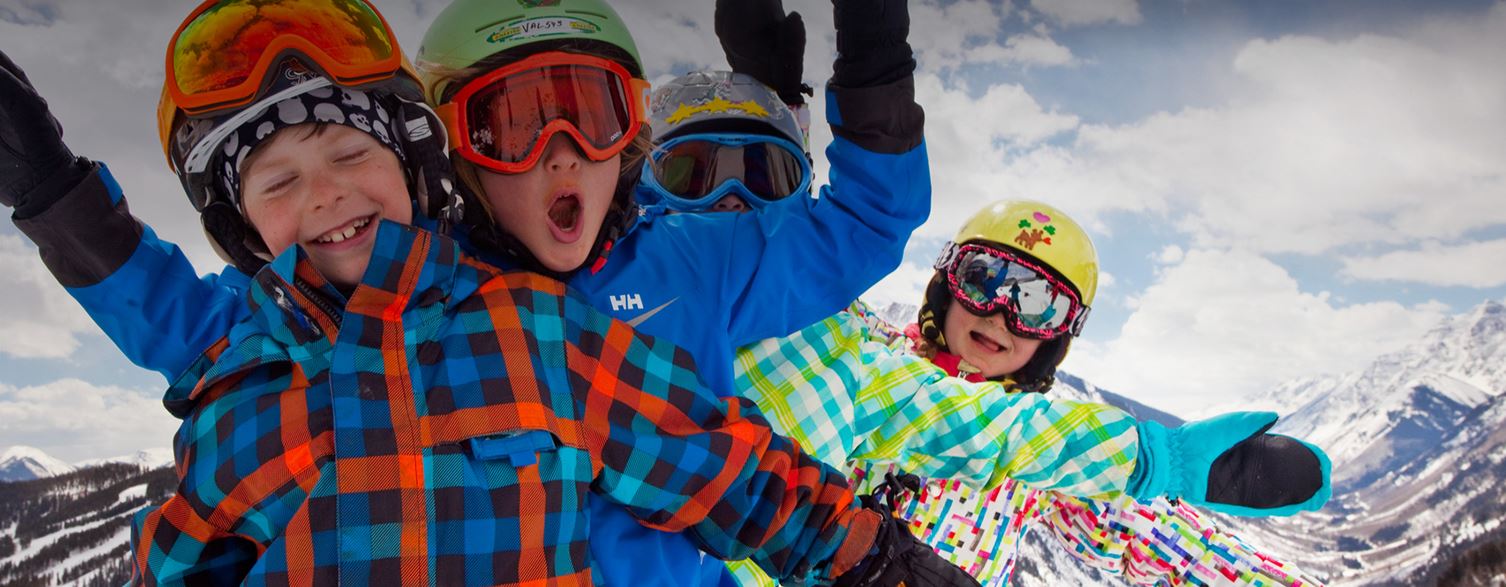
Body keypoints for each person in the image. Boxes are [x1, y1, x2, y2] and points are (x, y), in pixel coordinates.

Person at [4, 0, 933, 582]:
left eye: (592, 113)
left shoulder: (686, 262)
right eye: (513, 124)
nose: (559, 151)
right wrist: (58, 199)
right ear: (452, 151)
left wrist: (858, 65)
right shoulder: (373, 294)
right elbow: (197, 322)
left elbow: (853, 234)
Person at [723, 200, 1332, 586]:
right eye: (983, 279)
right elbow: (796, 280)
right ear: (947, 284)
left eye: (1038, 304)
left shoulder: (1051, 449)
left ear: (1056, 337)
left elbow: (1162, 538)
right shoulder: (859, 360)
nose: (1002, 313)